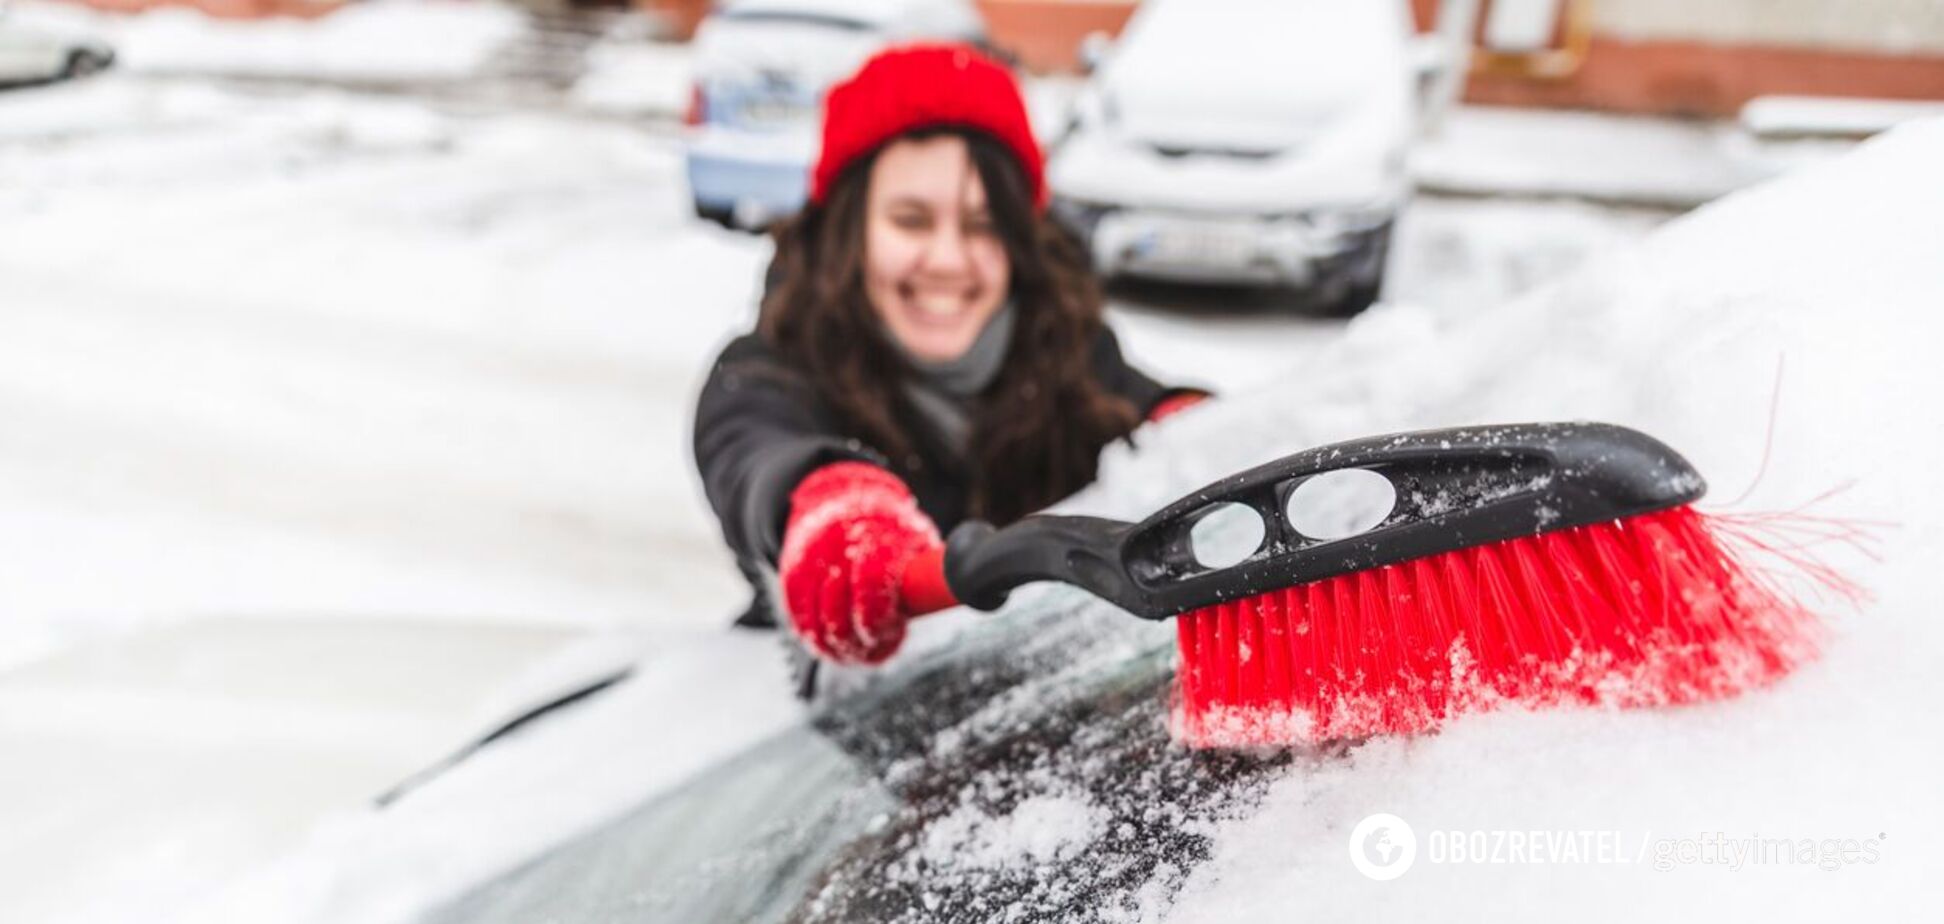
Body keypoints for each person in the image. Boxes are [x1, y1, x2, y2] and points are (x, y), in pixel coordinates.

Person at [693, 43, 1205, 674]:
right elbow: (757, 456)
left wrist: (1202, 430)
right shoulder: (768, 374)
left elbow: (1137, 407)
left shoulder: (1062, 348)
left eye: (983, 225)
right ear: (849, 230)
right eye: (911, 220)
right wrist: (826, 504)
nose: (948, 259)